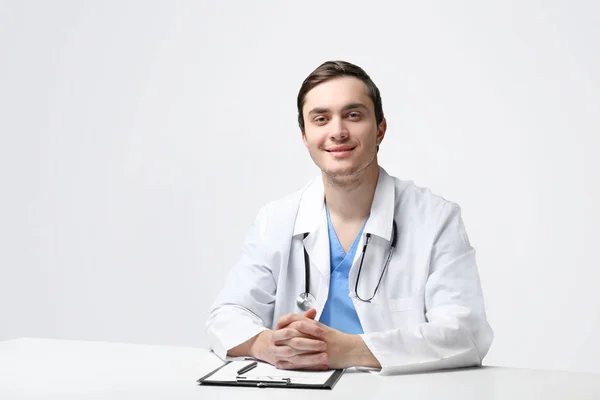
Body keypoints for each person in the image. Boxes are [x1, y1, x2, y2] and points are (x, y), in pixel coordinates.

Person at [205, 60, 493, 375]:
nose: (338, 132)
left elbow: (466, 333)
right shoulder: (276, 220)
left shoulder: (436, 220)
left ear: (380, 129)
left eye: (353, 115)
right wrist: (267, 344)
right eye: (321, 119)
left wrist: (348, 350)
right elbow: (226, 315)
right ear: (305, 137)